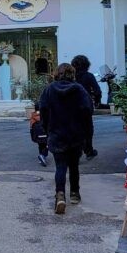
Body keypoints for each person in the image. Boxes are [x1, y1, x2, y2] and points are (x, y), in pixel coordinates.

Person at [39, 63, 94, 215]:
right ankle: (75, 194)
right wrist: (87, 136)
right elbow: (88, 110)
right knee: (74, 166)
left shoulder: (49, 90)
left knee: (60, 166)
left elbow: (43, 110)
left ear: (57, 73)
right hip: (76, 135)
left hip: (57, 134)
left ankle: (60, 195)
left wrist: (46, 128)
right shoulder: (80, 90)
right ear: (72, 74)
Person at [71, 54, 102, 159]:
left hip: (72, 106)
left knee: (75, 129)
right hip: (85, 106)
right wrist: (97, 101)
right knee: (88, 129)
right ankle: (89, 151)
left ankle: (76, 152)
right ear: (87, 65)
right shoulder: (89, 76)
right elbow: (97, 91)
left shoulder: (71, 77)